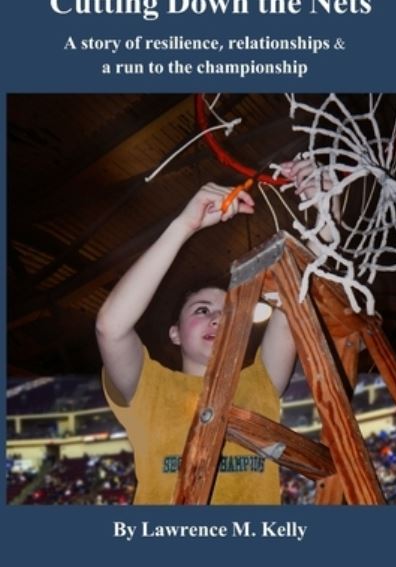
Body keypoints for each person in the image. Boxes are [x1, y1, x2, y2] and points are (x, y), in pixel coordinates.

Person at [96, 158, 329, 504]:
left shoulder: (261, 382)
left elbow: (301, 289)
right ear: (174, 333)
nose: (218, 320)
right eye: (202, 311)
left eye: (229, 313)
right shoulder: (149, 388)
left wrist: (324, 215)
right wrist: (184, 226)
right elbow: (110, 327)